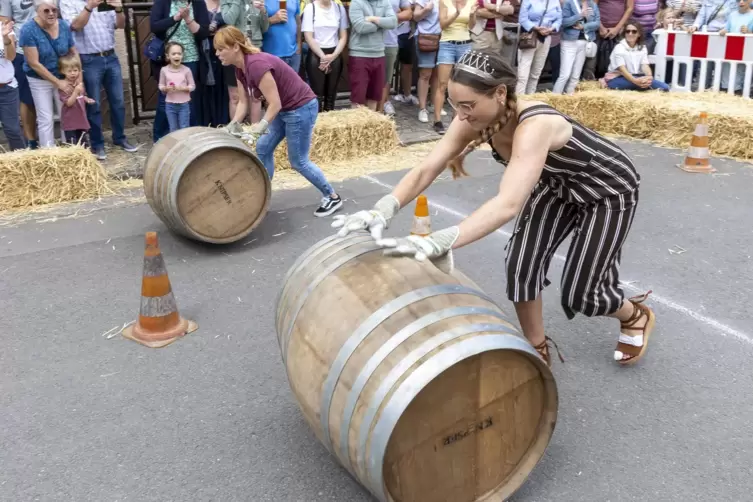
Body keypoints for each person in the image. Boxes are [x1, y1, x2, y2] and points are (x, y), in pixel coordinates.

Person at [332, 49, 656, 367]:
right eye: (455, 105)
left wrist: (441, 239)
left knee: (583, 294)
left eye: (468, 106)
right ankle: (536, 347)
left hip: (607, 189)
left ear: (500, 93)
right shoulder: (470, 118)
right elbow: (426, 168)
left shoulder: (535, 124)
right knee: (520, 266)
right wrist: (382, 208)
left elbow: (508, 203)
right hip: (558, 185)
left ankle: (635, 316)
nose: (460, 115)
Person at [214, 25, 344, 217]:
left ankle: (332, 196)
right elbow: (243, 101)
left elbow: (274, 104)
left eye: (220, 49)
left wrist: (260, 127)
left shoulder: (256, 65)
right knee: (263, 147)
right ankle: (262, 197)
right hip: (286, 109)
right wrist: (233, 124)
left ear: (235, 47)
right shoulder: (240, 68)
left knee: (298, 161)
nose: (217, 53)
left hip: (301, 108)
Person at [19, 0, 77, 148]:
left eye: (54, 10)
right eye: (46, 10)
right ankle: (48, 153)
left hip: (62, 76)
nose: (51, 13)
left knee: (67, 115)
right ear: (37, 11)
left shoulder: (63, 25)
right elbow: (34, 63)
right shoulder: (28, 29)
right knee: (46, 118)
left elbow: (73, 51)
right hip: (39, 79)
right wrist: (58, 83)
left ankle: (69, 149)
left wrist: (78, 78)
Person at [602, 20, 669, 91]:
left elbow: (645, 65)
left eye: (634, 31)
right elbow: (622, 70)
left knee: (664, 87)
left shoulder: (643, 48)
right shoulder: (619, 47)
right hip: (618, 77)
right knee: (638, 85)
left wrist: (649, 77)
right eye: (628, 31)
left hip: (637, 76)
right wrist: (635, 81)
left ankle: (640, 85)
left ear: (639, 34)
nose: (630, 34)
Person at [57, 52, 94, 146]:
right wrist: (76, 92)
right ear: (62, 71)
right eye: (69, 71)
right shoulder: (64, 86)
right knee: (73, 144)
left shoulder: (79, 83)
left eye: (75, 70)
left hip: (81, 119)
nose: (73, 73)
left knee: (84, 142)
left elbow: (82, 96)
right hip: (70, 122)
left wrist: (87, 99)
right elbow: (69, 103)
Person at [0, 19, 26, 150]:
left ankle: (22, 166)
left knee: (13, 130)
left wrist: (5, 37)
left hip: (6, 88)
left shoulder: (5, 28)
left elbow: (11, 56)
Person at [159, 41, 195, 131]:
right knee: (173, 128)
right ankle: (176, 145)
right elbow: (161, 85)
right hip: (170, 105)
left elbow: (192, 86)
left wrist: (183, 88)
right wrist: (165, 88)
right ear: (168, 56)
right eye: (173, 54)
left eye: (179, 54)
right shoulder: (164, 70)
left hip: (184, 105)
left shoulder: (186, 70)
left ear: (182, 55)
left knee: (184, 127)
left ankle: (185, 144)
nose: (176, 56)